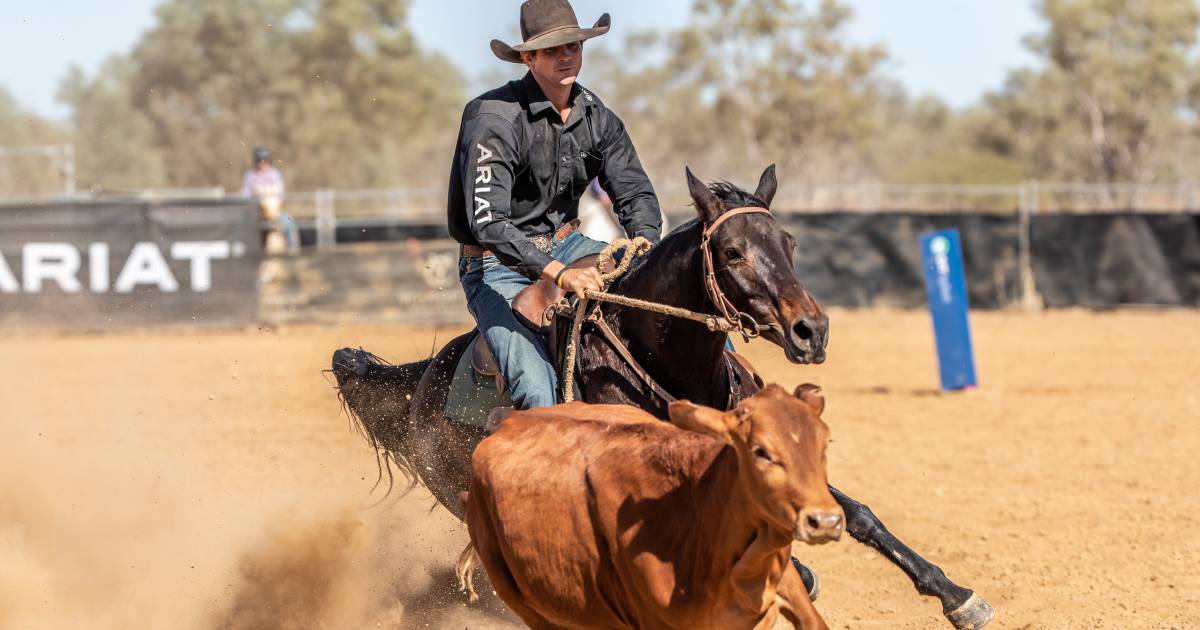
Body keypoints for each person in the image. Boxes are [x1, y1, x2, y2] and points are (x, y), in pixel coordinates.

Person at [448, 0, 662, 411]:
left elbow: (635, 194)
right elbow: (489, 224)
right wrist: (561, 275)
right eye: (552, 50)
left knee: (672, 304)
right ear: (527, 57)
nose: (566, 56)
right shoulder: (493, 119)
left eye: (573, 47)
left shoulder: (599, 118)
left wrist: (645, 246)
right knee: (538, 390)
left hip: (571, 246)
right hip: (494, 266)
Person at [241, 147, 294, 254]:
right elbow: (245, 196)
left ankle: (293, 251)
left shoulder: (275, 174)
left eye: (265, 160)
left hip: (275, 213)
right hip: (257, 213)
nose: (262, 163)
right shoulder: (250, 176)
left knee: (289, 224)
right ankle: (247, 254)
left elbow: (281, 196)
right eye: (260, 160)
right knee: (244, 229)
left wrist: (274, 208)